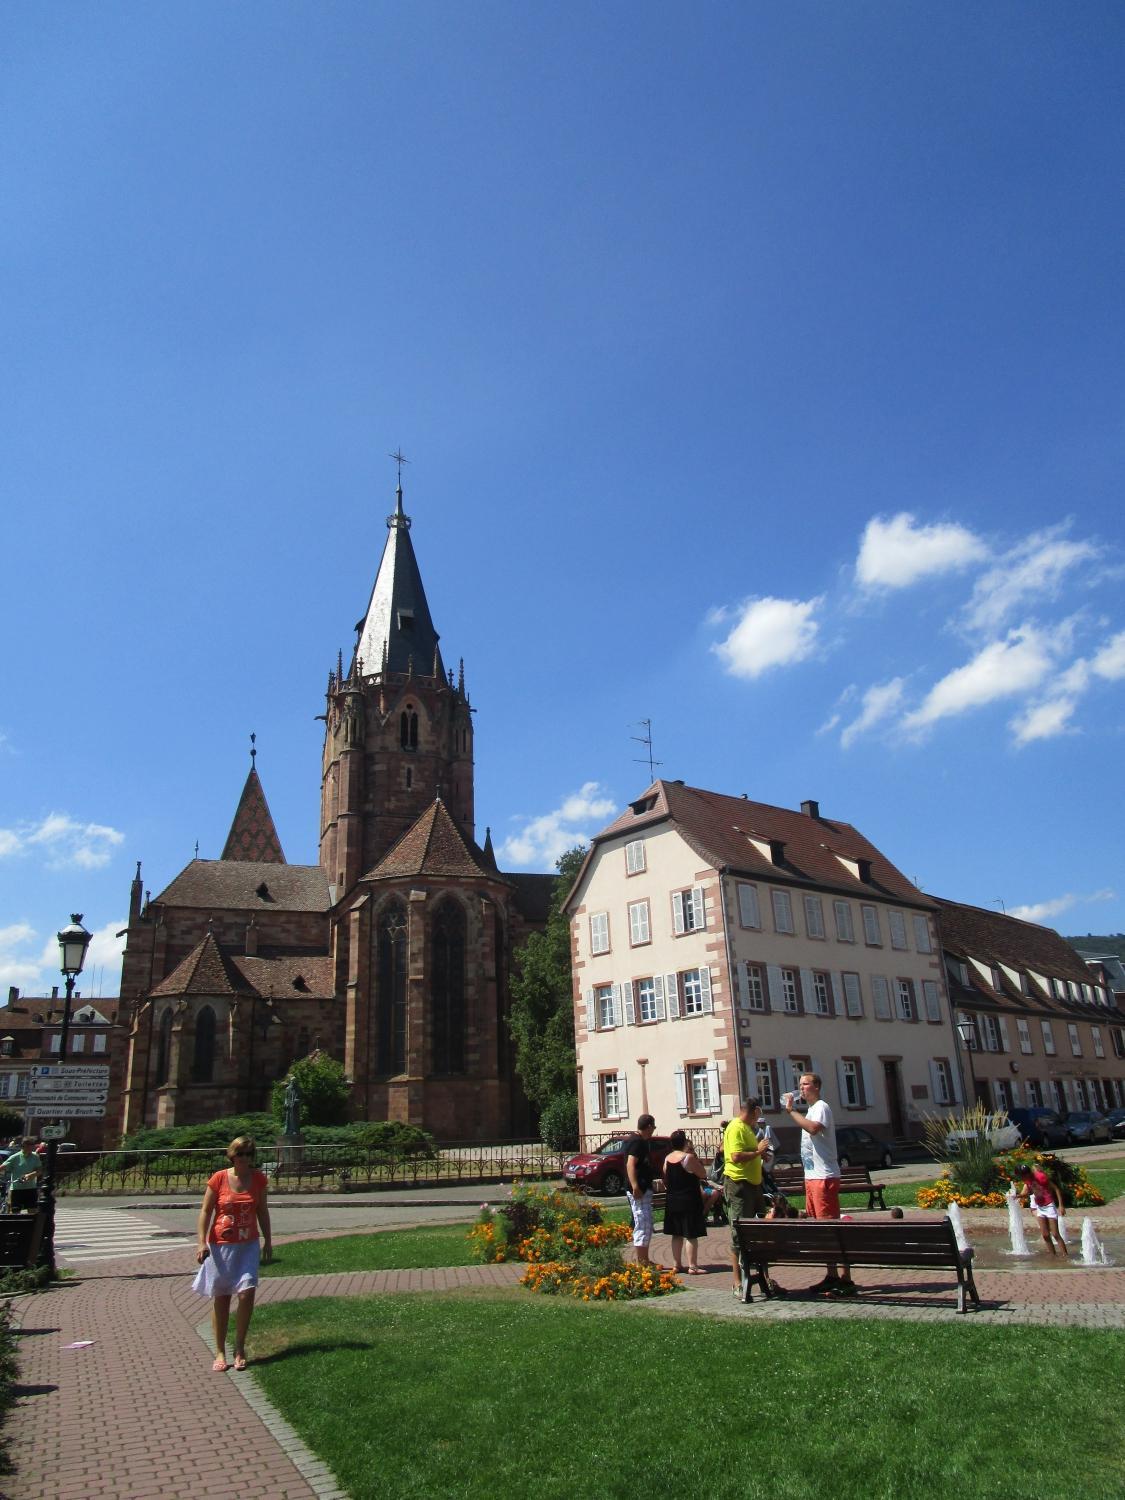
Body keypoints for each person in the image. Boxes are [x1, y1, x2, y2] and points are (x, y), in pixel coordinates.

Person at [193, 1136, 272, 1371]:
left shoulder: (258, 1179)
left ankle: (239, 1346)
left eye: (249, 1154)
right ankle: (219, 1351)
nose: (245, 1159)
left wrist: (268, 1240)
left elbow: (262, 1211)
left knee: (246, 1293)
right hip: (221, 1245)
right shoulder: (219, 1178)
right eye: (241, 1154)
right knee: (222, 1297)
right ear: (232, 1155)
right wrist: (201, 1243)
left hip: (247, 1244)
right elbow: (206, 1211)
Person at [782, 1072, 857, 1298]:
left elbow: (813, 1129)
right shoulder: (811, 1109)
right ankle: (831, 1275)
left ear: (816, 1087)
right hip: (812, 1176)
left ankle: (845, 1278)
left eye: (805, 1085)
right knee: (821, 1230)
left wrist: (791, 1111)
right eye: (800, 1085)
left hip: (824, 1177)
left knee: (831, 1228)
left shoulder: (822, 1107)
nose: (801, 1089)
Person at [722, 1100, 771, 1294]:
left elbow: (748, 1152)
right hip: (739, 1185)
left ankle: (765, 1278)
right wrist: (758, 1151)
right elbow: (735, 1156)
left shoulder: (748, 1128)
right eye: (758, 1113)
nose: (759, 1117)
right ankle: (737, 1282)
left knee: (760, 1231)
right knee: (739, 1233)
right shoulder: (736, 1127)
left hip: (754, 1184)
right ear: (753, 1111)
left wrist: (760, 1155)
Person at [660, 1130, 709, 1274]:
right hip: (689, 1200)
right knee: (690, 1234)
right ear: (684, 1142)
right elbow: (703, 1173)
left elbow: (665, 1176)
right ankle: (692, 1266)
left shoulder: (667, 1158)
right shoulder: (688, 1158)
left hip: (672, 1199)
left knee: (676, 1234)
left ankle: (676, 1265)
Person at [624, 1113, 660, 1265]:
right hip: (638, 1190)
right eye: (653, 1128)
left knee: (646, 1224)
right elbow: (630, 1164)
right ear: (649, 1127)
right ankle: (641, 1260)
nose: (653, 1131)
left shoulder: (639, 1141)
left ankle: (644, 1259)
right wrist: (635, 1186)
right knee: (642, 1223)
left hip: (644, 1188)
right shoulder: (636, 1142)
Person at [1015, 1163, 1068, 1257]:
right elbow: (1029, 1192)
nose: (1021, 1178)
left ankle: (1065, 1255)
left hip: (1049, 1206)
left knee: (1055, 1234)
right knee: (1045, 1235)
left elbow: (1056, 1189)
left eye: (1021, 1176)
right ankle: (1053, 1255)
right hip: (1040, 1208)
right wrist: (1017, 1196)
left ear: (1026, 1174)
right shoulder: (1028, 1181)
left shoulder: (1040, 1176)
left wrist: (1061, 1206)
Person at [2, 1138, 43, 1213]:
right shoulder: (15, 1157)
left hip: (30, 1188)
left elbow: (39, 1170)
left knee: (33, 1211)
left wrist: (31, 1174)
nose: (32, 1148)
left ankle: (31, 1225)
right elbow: (2, 1167)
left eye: (32, 1145)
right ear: (24, 1146)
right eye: (29, 1146)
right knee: (15, 1212)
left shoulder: (35, 1156)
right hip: (16, 1189)